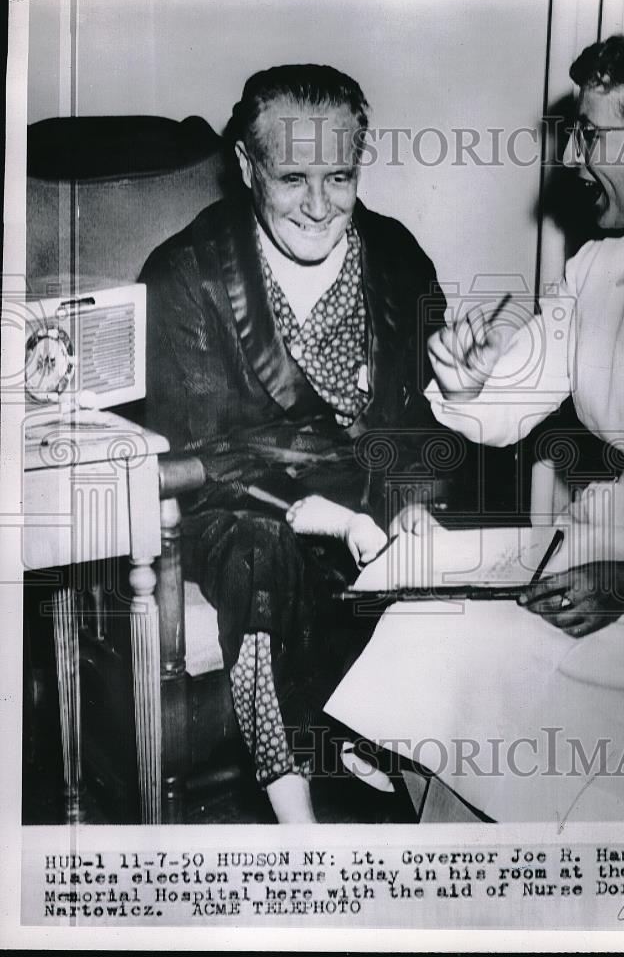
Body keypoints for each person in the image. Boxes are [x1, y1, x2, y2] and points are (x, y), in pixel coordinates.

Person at [325, 35, 624, 821]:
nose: (574, 158)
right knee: (428, 634)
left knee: (530, 688)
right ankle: (471, 898)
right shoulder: (601, 267)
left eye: (591, 135)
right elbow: (506, 411)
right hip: (613, 534)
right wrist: (469, 373)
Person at [141, 65, 451, 822]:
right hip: (238, 514)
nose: (320, 206)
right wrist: (329, 515)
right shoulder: (187, 276)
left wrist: (408, 499)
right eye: (293, 178)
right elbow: (202, 463)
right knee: (259, 557)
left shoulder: (398, 257)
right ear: (247, 168)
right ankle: (299, 831)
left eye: (340, 175)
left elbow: (424, 426)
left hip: (372, 500)